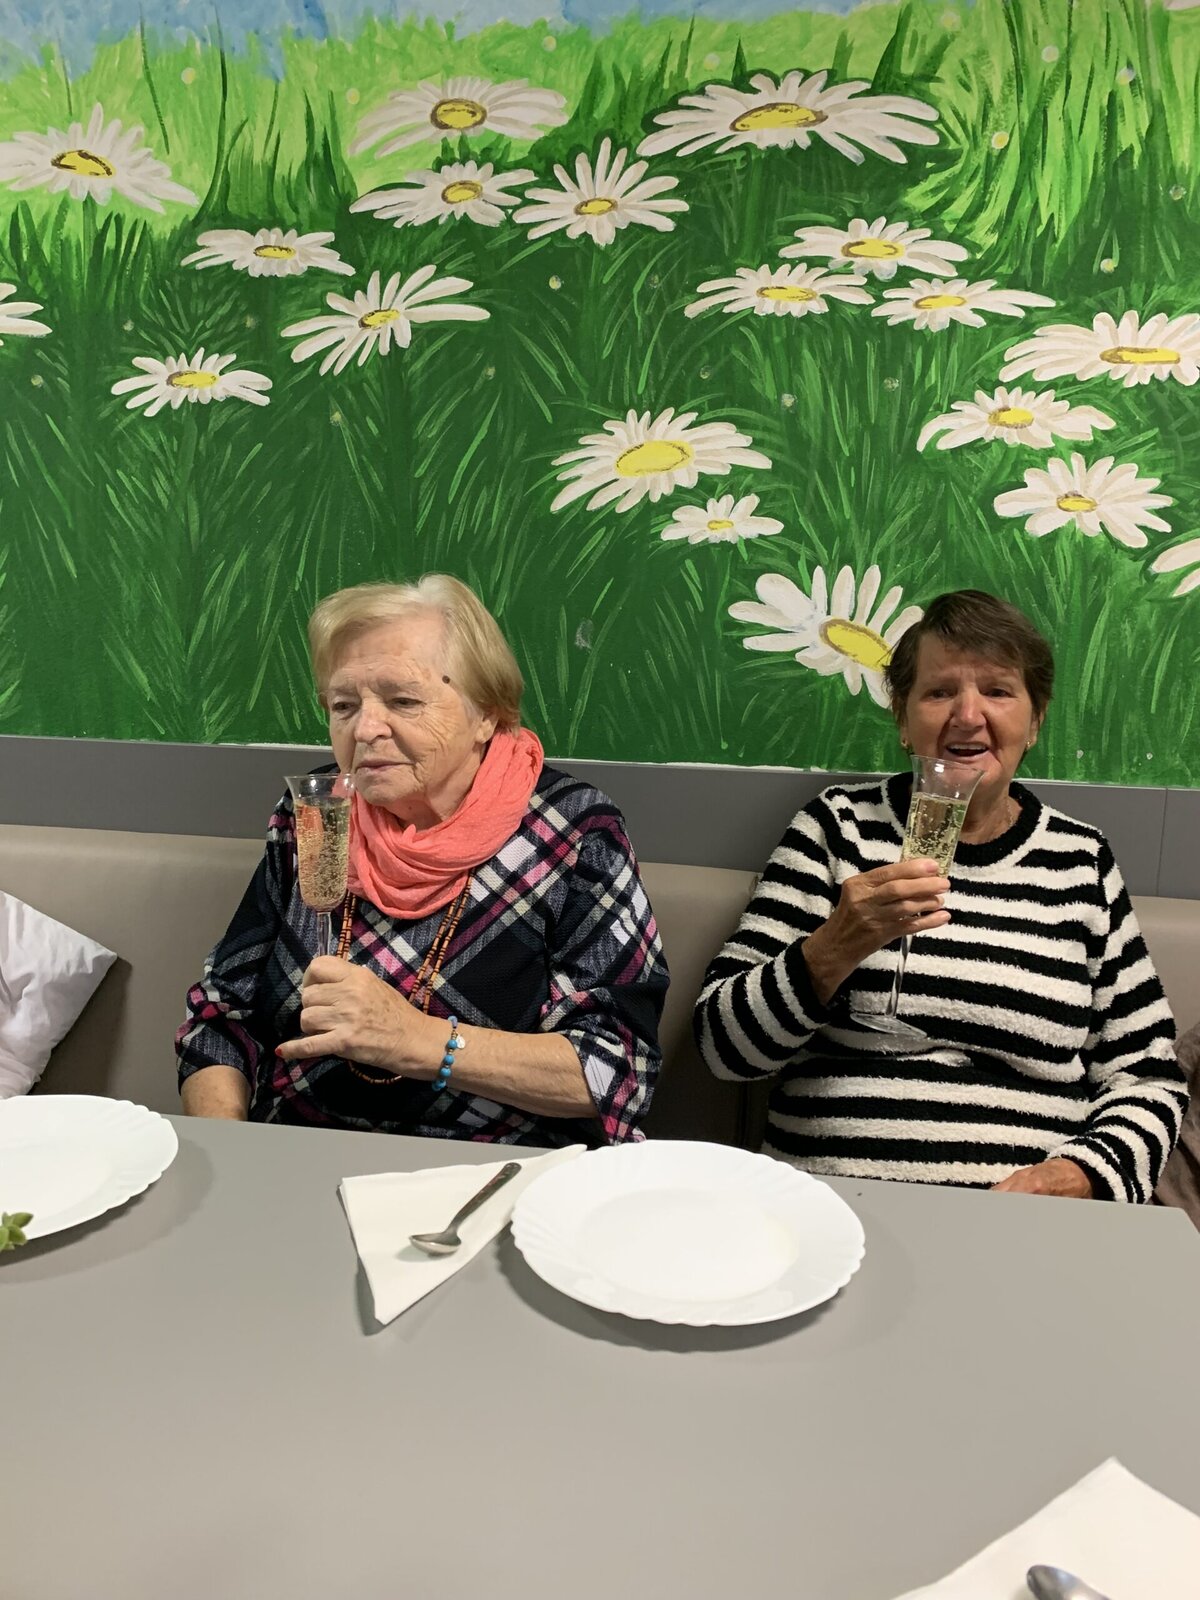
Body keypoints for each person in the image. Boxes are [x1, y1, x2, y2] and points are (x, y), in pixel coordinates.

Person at [695, 590, 1187, 1200]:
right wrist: (831, 949)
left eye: (998, 691)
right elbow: (722, 1048)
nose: (968, 715)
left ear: (1035, 721)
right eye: (938, 692)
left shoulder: (1081, 859)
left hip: (1022, 1220)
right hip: (830, 1204)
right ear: (904, 720)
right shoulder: (837, 827)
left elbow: (1148, 1075)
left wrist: (1079, 1177)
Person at [177, 575, 667, 1146]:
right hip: (298, 1152)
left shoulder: (574, 831)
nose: (365, 729)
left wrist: (416, 1039)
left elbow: (616, 1073)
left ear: (487, 715)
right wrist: (232, 1152)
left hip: (496, 1167)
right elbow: (220, 1016)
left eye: (403, 700)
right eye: (343, 705)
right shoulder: (317, 811)